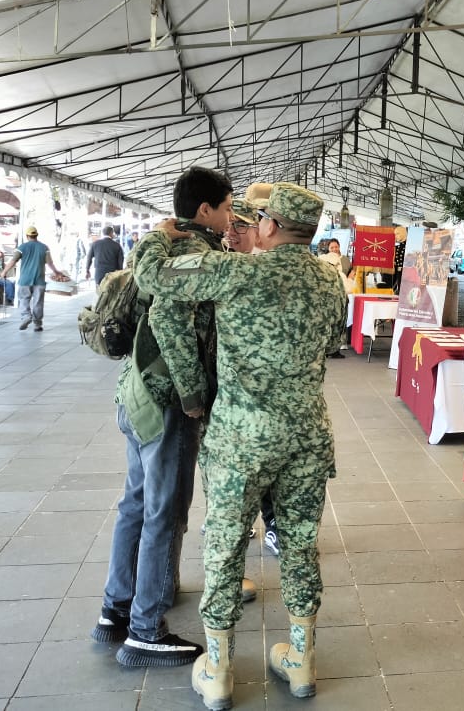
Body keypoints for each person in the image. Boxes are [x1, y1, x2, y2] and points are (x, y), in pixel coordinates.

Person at [133, 181, 347, 708]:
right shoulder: (331, 280)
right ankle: (302, 661)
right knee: (299, 544)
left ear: (269, 225)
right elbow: (333, 342)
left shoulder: (236, 272)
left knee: (226, 545)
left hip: (241, 438)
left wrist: (159, 236)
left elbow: (151, 277)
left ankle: (220, 668)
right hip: (306, 434)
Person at [93, 166, 249, 669]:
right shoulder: (195, 254)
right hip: (165, 402)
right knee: (165, 511)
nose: (231, 218)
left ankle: (116, 609)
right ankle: (145, 630)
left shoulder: (161, 246)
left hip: (136, 393)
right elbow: (168, 319)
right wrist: (193, 395)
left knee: (137, 503)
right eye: (227, 208)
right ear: (205, 209)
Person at [228, 191, 282, 559]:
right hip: (224, 388)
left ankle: (273, 523)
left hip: (263, 391)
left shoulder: (268, 270)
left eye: (242, 226)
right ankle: (239, 520)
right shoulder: (216, 265)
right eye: (228, 226)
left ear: (259, 230)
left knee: (266, 463)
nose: (232, 233)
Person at [0, 226, 65, 331]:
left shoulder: (22, 247)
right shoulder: (44, 248)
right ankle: (37, 324)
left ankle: (26, 316)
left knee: (24, 299)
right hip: (39, 280)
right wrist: (56, 272)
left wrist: (4, 272)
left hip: (25, 280)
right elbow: (50, 263)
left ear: (27, 236)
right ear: (36, 235)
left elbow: (13, 261)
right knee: (38, 303)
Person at [318, 239, 352, 359]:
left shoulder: (322, 273)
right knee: (336, 326)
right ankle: (333, 350)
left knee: (326, 325)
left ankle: (325, 349)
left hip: (327, 303)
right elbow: (349, 289)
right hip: (337, 305)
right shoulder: (339, 274)